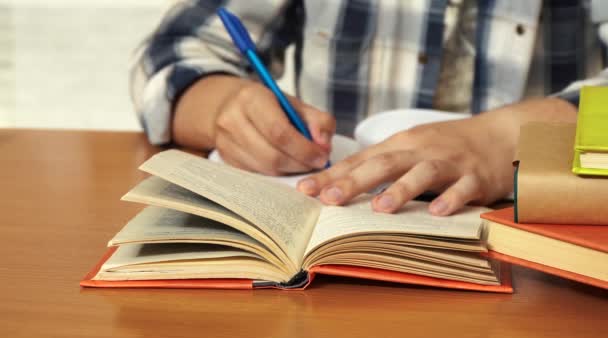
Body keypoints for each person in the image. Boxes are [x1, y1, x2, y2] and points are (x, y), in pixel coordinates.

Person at [130, 0, 608, 216]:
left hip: (529, 229)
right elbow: (178, 48)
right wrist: (224, 106)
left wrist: (507, 139)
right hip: (343, 228)